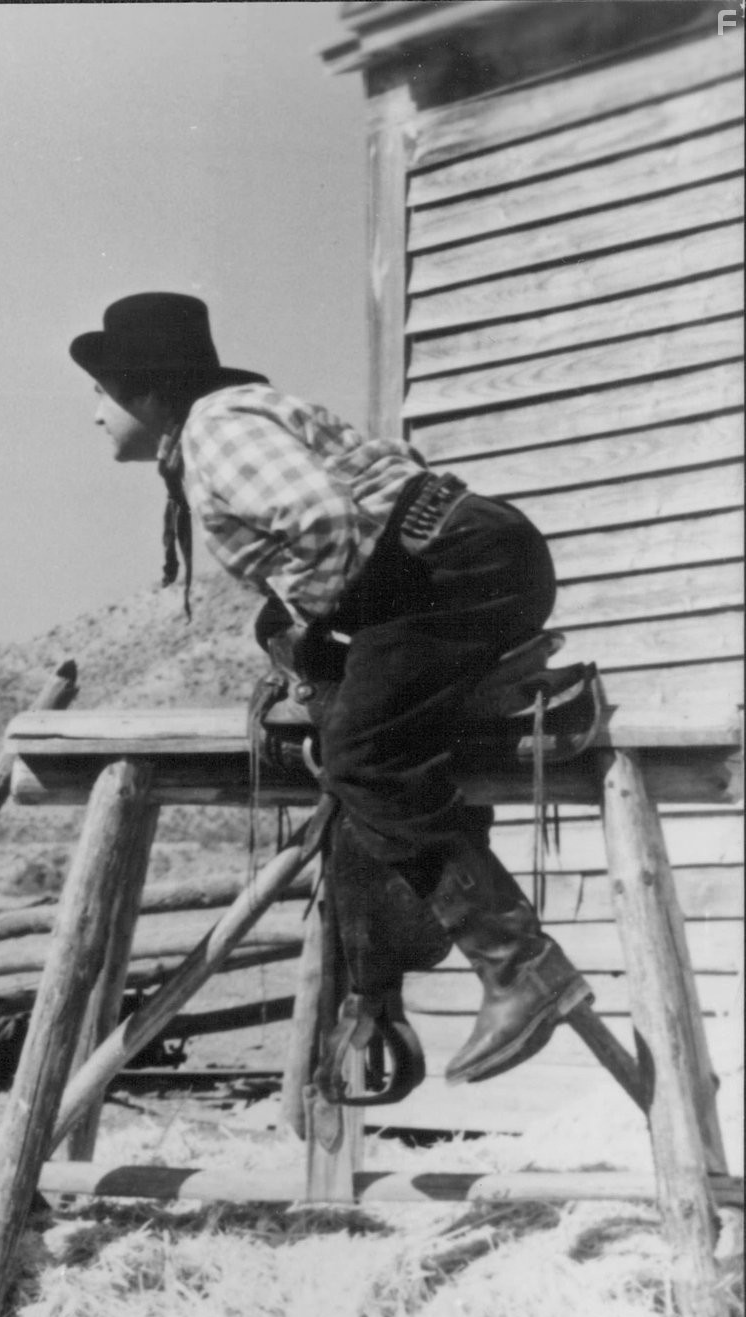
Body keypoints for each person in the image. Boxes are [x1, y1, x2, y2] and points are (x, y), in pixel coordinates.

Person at [69, 291, 591, 1086]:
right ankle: (407, 980)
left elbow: (316, 516)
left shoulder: (213, 428)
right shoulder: (235, 418)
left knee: (366, 757)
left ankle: (521, 965)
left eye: (101, 395)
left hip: (455, 570)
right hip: (469, 555)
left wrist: (325, 617)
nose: (93, 415)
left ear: (145, 392)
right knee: (338, 695)